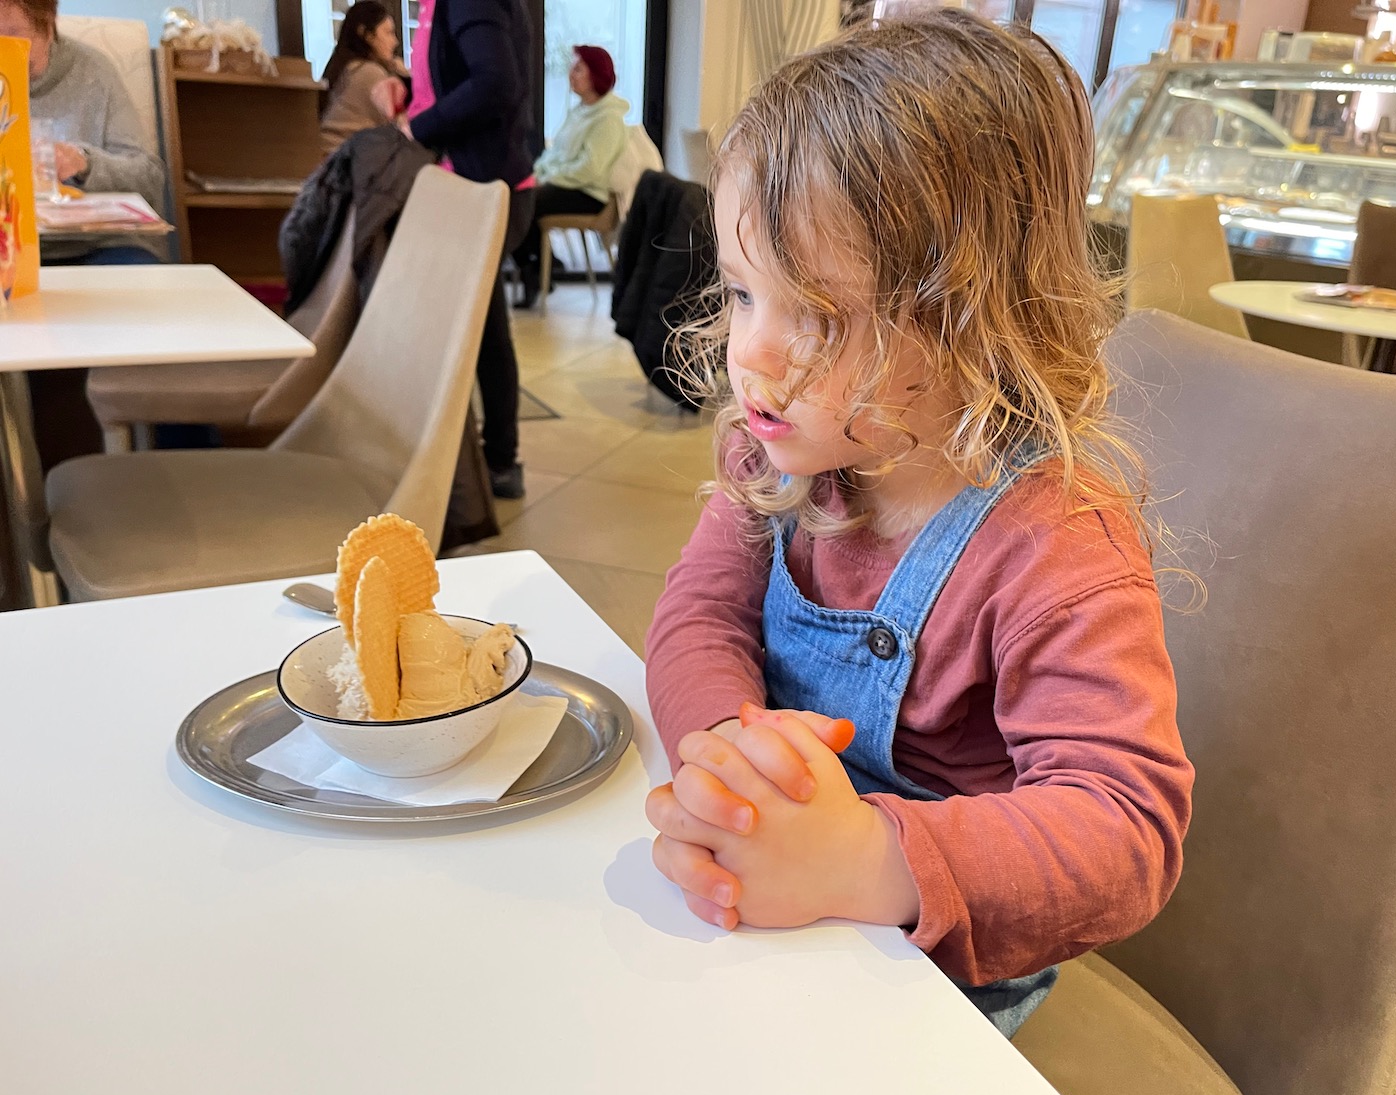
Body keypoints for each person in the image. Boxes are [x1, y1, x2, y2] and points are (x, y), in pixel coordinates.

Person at [642, 9, 1194, 1039]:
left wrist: (860, 858)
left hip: (932, 973)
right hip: (772, 907)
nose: (752, 354)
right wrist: (728, 758)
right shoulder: (781, 457)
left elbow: (1128, 833)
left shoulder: (1056, 543)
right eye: (742, 290)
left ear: (972, 317)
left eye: (816, 315)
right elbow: (699, 618)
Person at [381, 0, 537, 499]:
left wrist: (417, 130)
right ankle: (491, 459)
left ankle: (492, 460)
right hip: (472, 184)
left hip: (488, 189)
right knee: (480, 328)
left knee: (478, 332)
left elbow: (494, 82)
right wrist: (410, 91)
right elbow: (463, 77)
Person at [0, 0, 165, 264]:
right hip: (9, 248)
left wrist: (84, 164)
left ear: (49, 26)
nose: (4, 50)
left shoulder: (93, 72)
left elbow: (149, 180)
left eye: (14, 33)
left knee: (139, 276)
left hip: (96, 246)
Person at [511, 44, 626, 309]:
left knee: (524, 201)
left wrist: (547, 179)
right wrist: (536, 173)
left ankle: (536, 271)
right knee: (516, 192)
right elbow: (555, 155)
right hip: (567, 185)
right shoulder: (580, 111)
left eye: (577, 69)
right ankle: (539, 266)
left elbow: (590, 168)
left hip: (587, 194)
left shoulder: (609, 118)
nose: (570, 75)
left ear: (595, 74)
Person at [318, 0, 410, 156]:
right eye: (388, 33)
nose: (395, 42)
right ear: (366, 35)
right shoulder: (370, 73)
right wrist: (408, 76)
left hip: (330, 157)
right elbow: (403, 125)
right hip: (351, 162)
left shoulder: (344, 68)